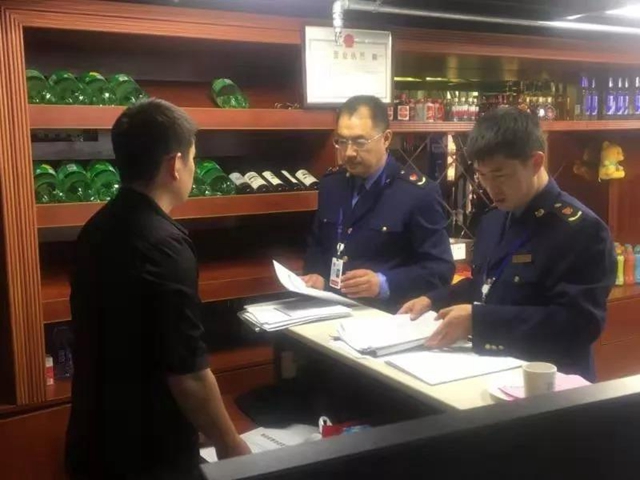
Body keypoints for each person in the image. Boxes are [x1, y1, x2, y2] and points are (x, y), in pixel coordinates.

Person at [65, 99, 250, 480]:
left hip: (93, 438)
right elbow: (187, 371)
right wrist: (230, 444)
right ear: (175, 164)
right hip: (147, 457)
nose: (193, 168)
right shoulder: (164, 245)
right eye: (194, 158)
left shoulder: (96, 227)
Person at [399, 107, 616, 381]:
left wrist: (480, 321)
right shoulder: (495, 219)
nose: (491, 188)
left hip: (549, 383)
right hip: (491, 371)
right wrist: (432, 300)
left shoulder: (581, 229)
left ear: (536, 162)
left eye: (500, 175)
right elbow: (486, 284)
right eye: (482, 175)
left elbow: (578, 325)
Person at [302, 95, 454, 310]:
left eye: (360, 142)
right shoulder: (331, 185)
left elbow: (440, 270)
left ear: (386, 138)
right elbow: (318, 247)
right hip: (330, 308)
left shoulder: (417, 193)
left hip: (385, 314)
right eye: (342, 141)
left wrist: (384, 283)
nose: (349, 153)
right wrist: (316, 275)